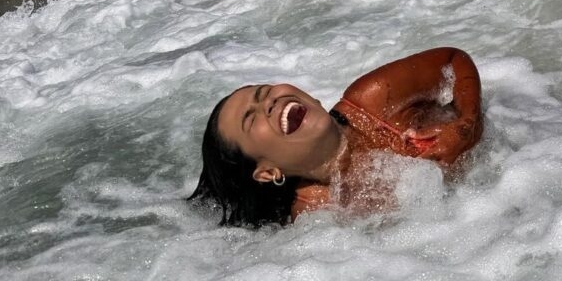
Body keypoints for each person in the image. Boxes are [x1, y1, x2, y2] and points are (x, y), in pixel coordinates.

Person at [189, 47, 483, 226]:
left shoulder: (374, 101)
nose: (268, 103)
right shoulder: (317, 217)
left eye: (264, 93)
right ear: (267, 172)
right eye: (251, 119)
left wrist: (467, 123)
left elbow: (452, 61)